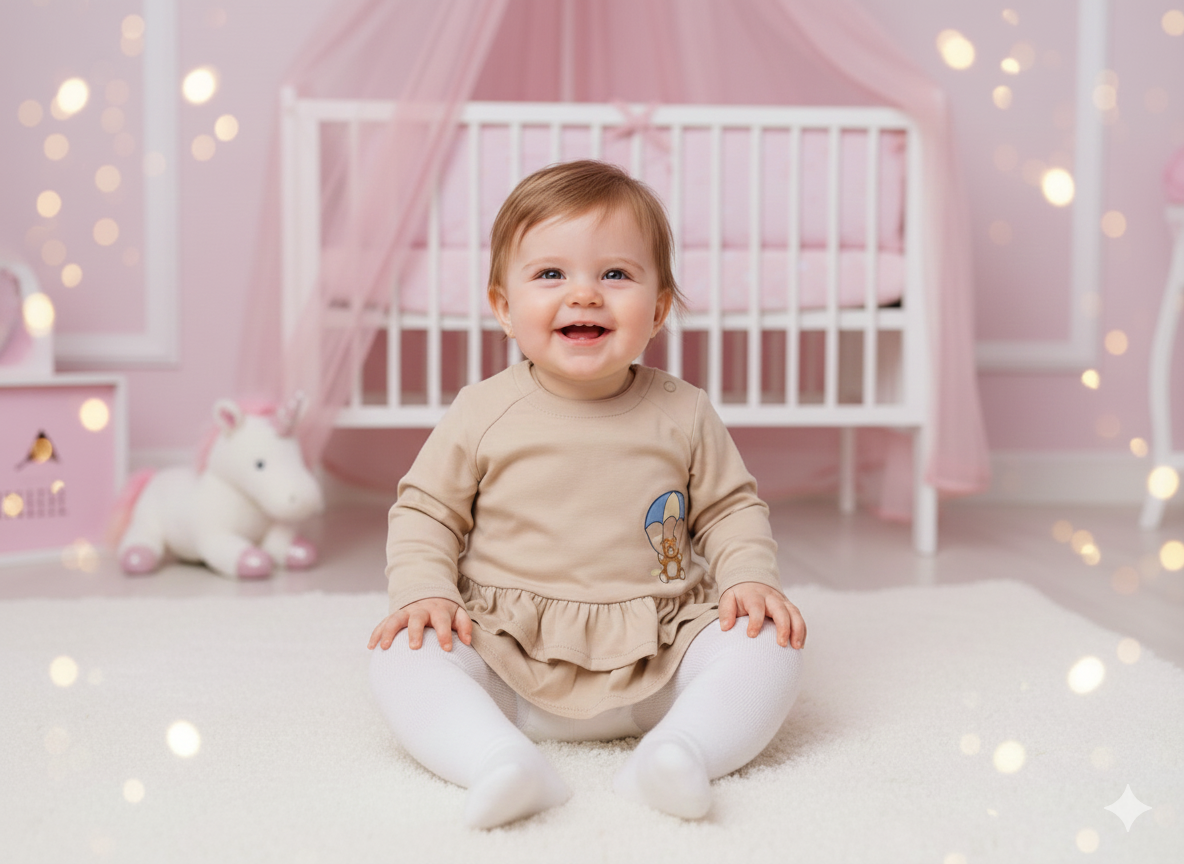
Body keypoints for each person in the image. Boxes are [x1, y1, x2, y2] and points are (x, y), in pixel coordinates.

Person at [367, 160, 806, 829]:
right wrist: (424, 592)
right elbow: (427, 511)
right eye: (551, 274)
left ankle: (679, 751)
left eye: (615, 274)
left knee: (770, 643)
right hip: (508, 651)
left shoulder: (682, 411)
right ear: (504, 308)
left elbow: (728, 508)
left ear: (658, 309)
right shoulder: (482, 410)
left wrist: (749, 578)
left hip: (659, 647)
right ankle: (498, 761)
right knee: (402, 651)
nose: (584, 295)